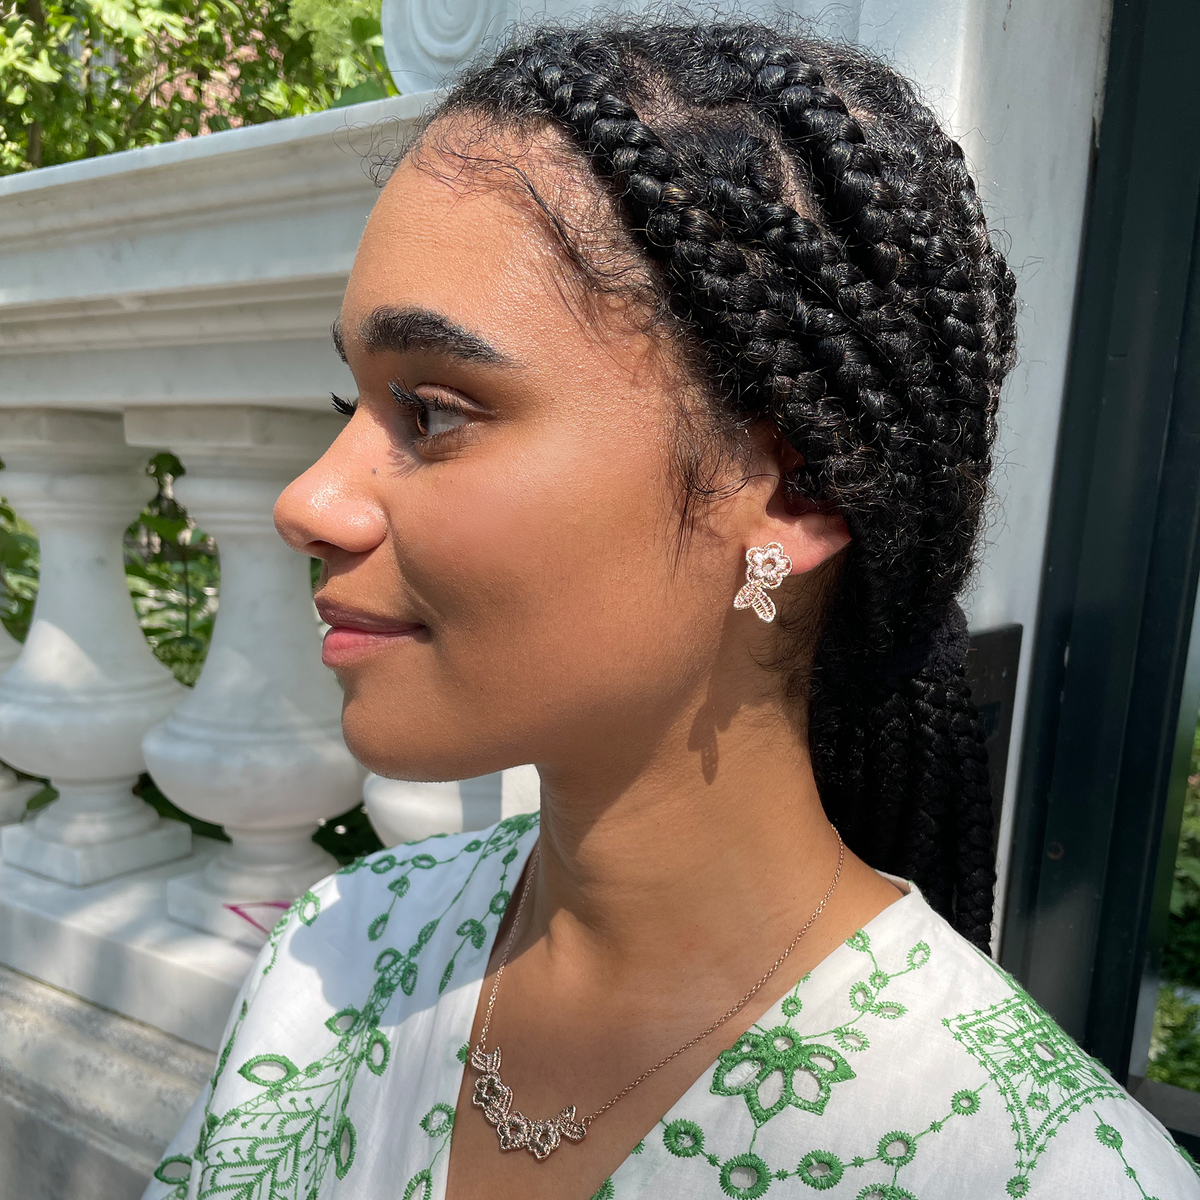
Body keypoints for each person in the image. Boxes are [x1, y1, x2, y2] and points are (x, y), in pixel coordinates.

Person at [144, 18, 1200, 1200]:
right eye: (352, 400)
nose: (309, 500)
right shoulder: (338, 952)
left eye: (432, 411)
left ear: (792, 488)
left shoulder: (1047, 1172)